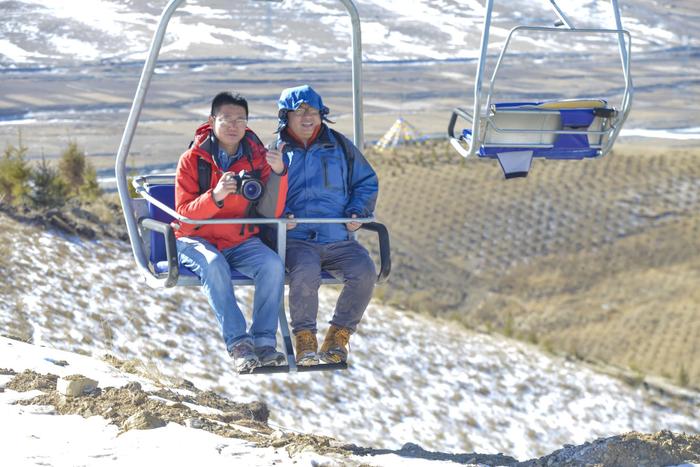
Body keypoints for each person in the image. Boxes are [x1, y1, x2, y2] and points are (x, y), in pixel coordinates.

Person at [174, 91, 288, 373]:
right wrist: (215, 196)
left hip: (237, 239)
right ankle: (239, 343)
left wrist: (278, 174)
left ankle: (263, 342)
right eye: (227, 119)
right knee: (214, 265)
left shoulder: (257, 159)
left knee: (272, 265)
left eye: (241, 119)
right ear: (212, 120)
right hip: (195, 239)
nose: (234, 125)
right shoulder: (193, 160)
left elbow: (270, 211)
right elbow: (184, 217)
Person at [275, 84, 378, 366]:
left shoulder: (340, 147)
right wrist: (281, 215)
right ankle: (305, 338)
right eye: (300, 112)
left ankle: (338, 337)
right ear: (286, 117)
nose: (308, 118)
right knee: (306, 271)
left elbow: (365, 182)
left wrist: (357, 212)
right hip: (297, 240)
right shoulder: (276, 153)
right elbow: (264, 194)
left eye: (314, 112)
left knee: (364, 271)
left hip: (337, 239)